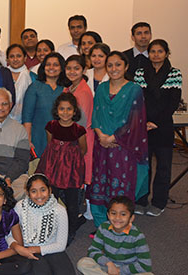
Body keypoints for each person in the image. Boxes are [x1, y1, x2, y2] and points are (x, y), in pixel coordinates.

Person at [88, 51, 148, 229]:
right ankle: (102, 227)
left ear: (126, 67)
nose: (114, 69)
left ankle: (120, 227)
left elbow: (135, 121)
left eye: (118, 65)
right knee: (100, 182)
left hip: (123, 147)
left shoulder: (134, 89)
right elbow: (96, 115)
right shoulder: (101, 88)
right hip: (102, 146)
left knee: (121, 184)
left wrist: (113, 137)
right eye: (110, 65)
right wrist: (101, 136)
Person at [134, 39, 182, 217]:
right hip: (143, 126)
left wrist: (156, 122)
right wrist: (145, 121)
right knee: (144, 167)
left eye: (160, 51)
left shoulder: (175, 73)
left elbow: (173, 102)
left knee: (163, 167)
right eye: (152, 51)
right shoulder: (140, 72)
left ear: (166, 53)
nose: (155, 54)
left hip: (163, 127)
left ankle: (159, 202)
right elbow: (138, 99)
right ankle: (141, 200)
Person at [36, 93, 87, 243]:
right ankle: (48, 228)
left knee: (72, 204)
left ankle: (70, 230)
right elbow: (51, 146)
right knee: (51, 200)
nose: (65, 112)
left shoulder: (79, 130)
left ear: (75, 111)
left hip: (71, 172)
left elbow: (83, 149)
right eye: (62, 109)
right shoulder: (51, 126)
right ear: (56, 110)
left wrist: (71, 161)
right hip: (52, 169)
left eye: (69, 109)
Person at [10, 174, 76, 274]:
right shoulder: (20, 207)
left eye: (43, 190)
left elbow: (61, 245)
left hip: (52, 248)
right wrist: (17, 247)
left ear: (50, 190)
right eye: (33, 191)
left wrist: (37, 249)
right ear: (27, 192)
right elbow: (9, 234)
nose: (39, 195)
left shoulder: (60, 210)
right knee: (40, 271)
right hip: (25, 250)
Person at [77, 196, 153, 275]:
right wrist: (109, 264)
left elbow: (145, 265)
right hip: (108, 267)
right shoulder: (103, 228)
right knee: (83, 263)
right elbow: (92, 251)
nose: (117, 218)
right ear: (108, 215)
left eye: (123, 214)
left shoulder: (137, 236)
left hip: (128, 270)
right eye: (113, 213)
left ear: (131, 218)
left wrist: (119, 270)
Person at [22, 52, 66, 158]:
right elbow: (27, 117)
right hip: (38, 137)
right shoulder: (35, 87)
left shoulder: (66, 88)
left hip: (62, 138)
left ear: (61, 68)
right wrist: (28, 140)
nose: (51, 67)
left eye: (55, 65)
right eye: (48, 64)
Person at [63, 55, 95, 187]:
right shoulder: (70, 88)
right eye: (69, 68)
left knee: (79, 178)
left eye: (76, 68)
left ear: (84, 70)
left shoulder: (82, 92)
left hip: (79, 140)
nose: (72, 71)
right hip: (71, 138)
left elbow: (81, 123)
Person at [6, 44, 37, 123]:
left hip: (26, 120)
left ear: (25, 58)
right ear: (7, 60)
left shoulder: (33, 77)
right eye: (12, 56)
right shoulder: (1, 75)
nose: (15, 59)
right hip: (2, 119)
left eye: (19, 56)